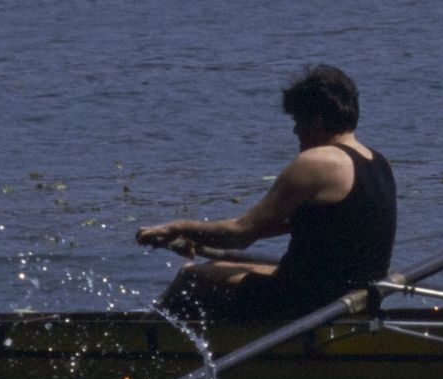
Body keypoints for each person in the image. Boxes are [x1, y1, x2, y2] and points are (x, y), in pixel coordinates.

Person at [136, 65, 398, 324]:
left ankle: (145, 346)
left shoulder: (317, 162)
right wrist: (198, 244)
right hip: (358, 296)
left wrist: (179, 226)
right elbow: (277, 226)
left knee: (191, 276)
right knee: (221, 261)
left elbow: (241, 233)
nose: (295, 131)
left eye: (297, 120)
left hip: (312, 302)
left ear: (316, 120)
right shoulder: (377, 161)